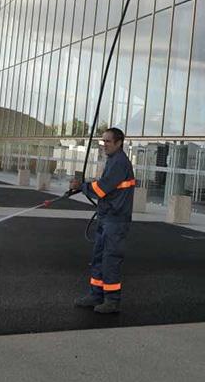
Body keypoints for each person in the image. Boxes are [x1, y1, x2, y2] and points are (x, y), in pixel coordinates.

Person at [70, 128, 135, 314]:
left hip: (116, 220)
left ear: (119, 143)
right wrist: (84, 187)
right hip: (107, 217)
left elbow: (102, 189)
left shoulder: (119, 162)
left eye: (108, 141)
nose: (104, 145)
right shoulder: (113, 160)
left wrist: (81, 186)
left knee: (110, 260)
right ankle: (96, 295)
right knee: (98, 258)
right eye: (103, 141)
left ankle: (112, 300)